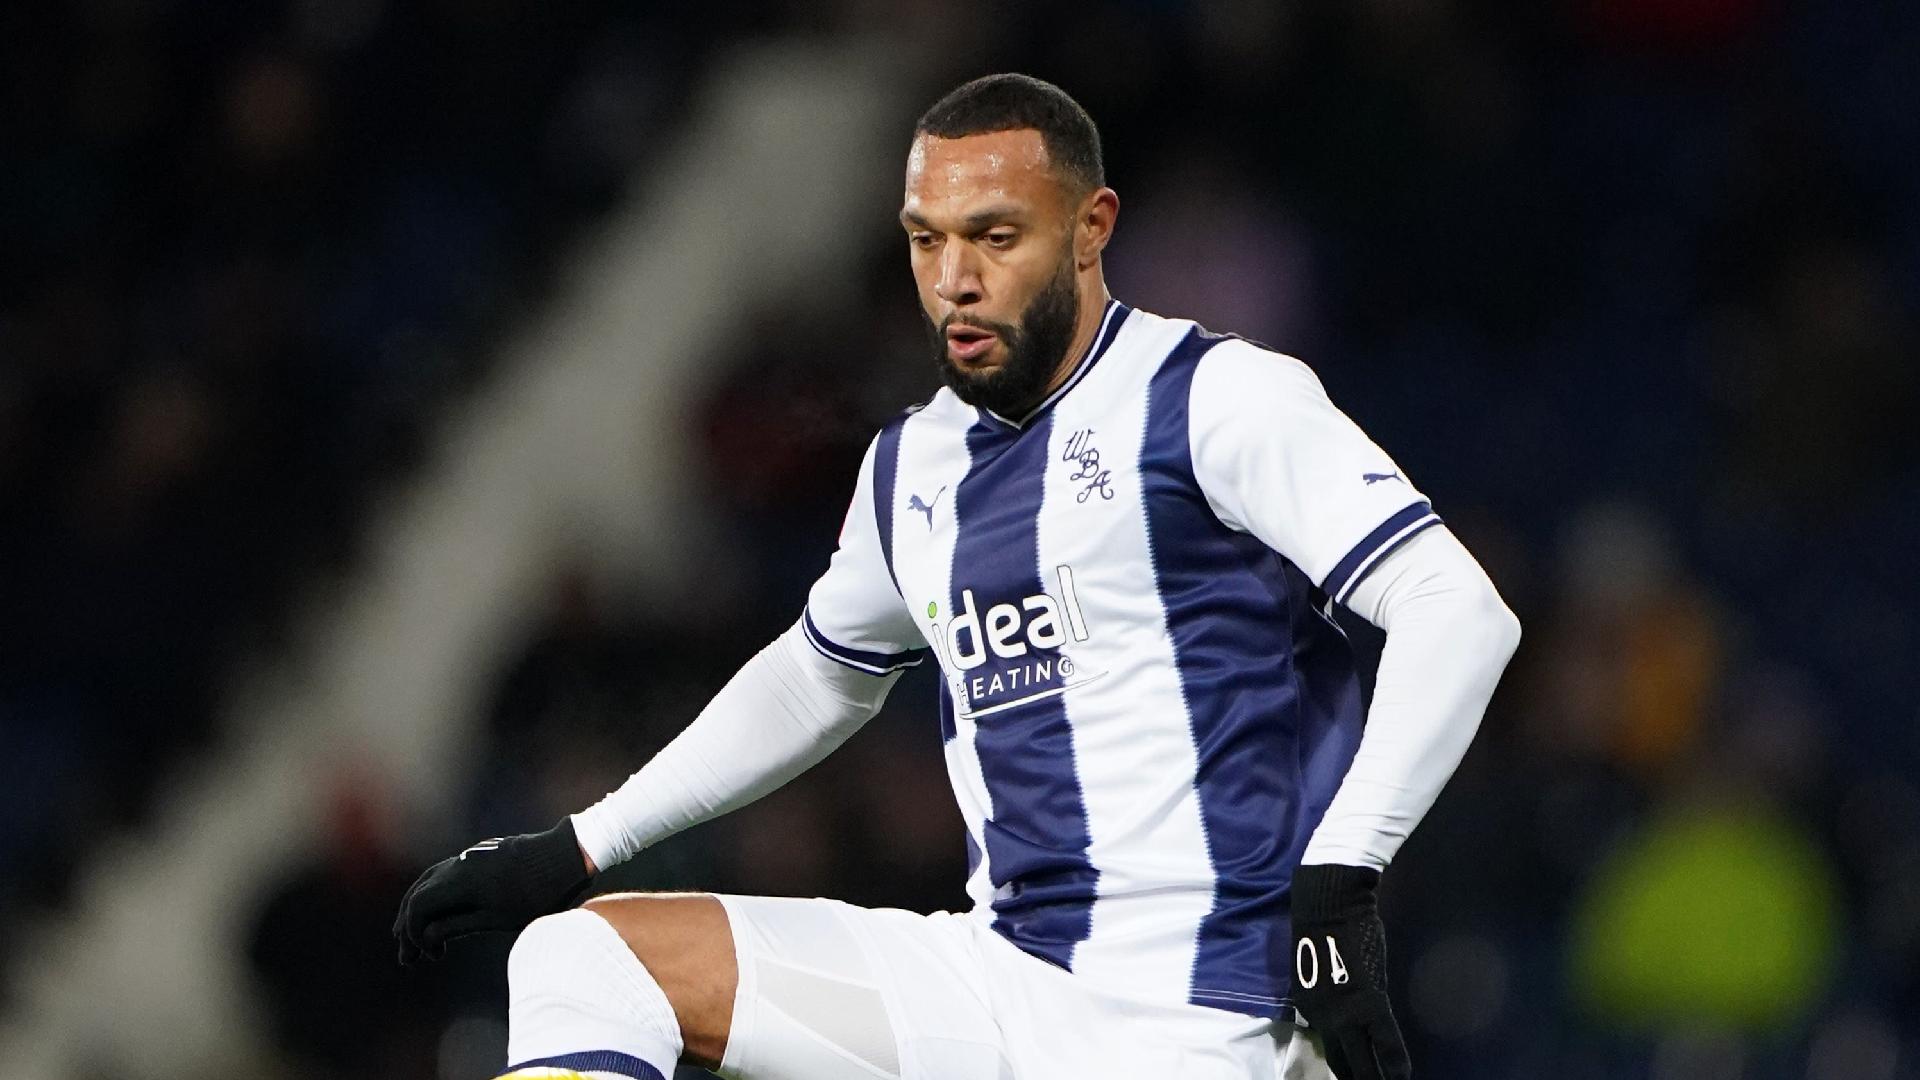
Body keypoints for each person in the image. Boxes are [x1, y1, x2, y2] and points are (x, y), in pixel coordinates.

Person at [393, 73, 1521, 1080]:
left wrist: (1341, 875)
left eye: (995, 236)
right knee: (588, 958)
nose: (955, 280)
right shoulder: (914, 465)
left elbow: (1457, 610)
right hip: (999, 986)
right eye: (926, 241)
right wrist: (583, 843)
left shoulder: (1215, 399)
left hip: (1202, 1026)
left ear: (1091, 228)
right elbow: (818, 676)